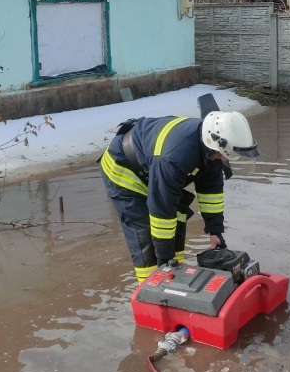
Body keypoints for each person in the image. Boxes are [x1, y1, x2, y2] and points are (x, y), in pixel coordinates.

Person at [100, 111, 259, 281]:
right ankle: (149, 287)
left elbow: (211, 192)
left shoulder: (213, 150)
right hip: (125, 170)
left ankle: (176, 277)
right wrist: (164, 262)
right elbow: (162, 211)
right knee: (145, 236)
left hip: (154, 166)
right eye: (222, 155)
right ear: (212, 145)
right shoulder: (175, 157)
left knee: (178, 218)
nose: (223, 159)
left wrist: (215, 231)